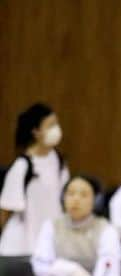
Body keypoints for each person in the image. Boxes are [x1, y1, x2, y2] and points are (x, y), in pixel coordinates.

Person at [0, 102, 69, 256]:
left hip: (52, 241)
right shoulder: (22, 166)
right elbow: (5, 209)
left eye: (56, 124)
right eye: (50, 126)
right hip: (24, 244)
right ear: (36, 131)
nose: (56, 130)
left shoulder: (59, 161)